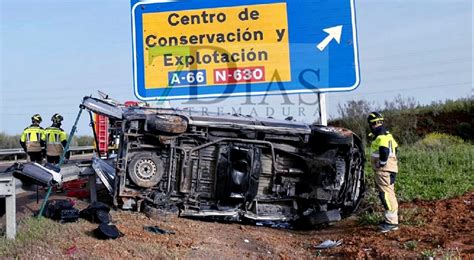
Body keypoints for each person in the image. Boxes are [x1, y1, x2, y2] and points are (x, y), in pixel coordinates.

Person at [367, 112, 400, 233]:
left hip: (384, 170)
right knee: (389, 193)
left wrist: (381, 163)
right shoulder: (387, 134)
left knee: (385, 194)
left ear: (372, 124)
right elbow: (396, 148)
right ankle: (391, 220)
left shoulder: (381, 136)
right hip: (390, 168)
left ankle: (391, 223)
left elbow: (384, 150)